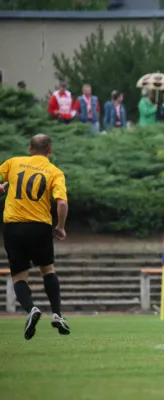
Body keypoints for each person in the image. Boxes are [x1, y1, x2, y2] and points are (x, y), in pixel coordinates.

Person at [0, 134, 70, 340]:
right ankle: (57, 314)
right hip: (40, 227)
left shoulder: (14, 163)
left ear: (30, 150)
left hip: (13, 226)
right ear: (50, 151)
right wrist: (60, 226)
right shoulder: (54, 172)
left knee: (19, 276)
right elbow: (62, 203)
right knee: (48, 270)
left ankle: (31, 309)